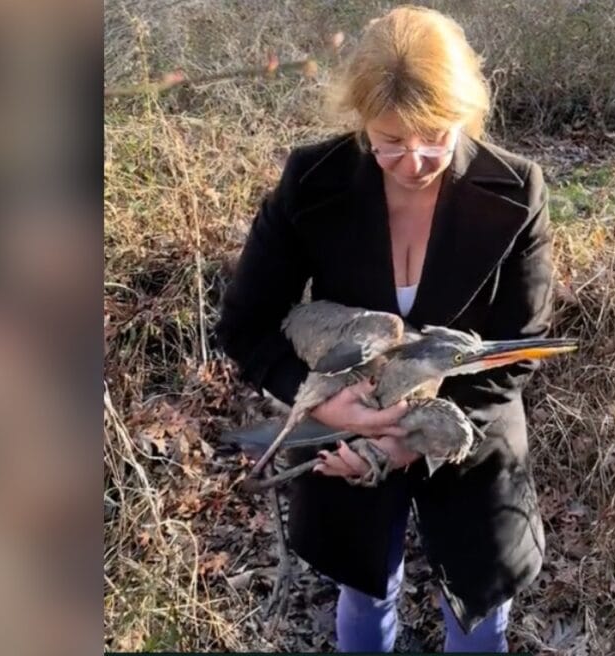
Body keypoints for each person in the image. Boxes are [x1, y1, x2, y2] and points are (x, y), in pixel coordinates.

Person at [216, 6, 553, 652]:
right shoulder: (312, 185)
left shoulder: (516, 191)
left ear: (465, 111)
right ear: (360, 120)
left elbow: (518, 351)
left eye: (435, 134)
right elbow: (247, 323)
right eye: (390, 140)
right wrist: (332, 407)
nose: (415, 159)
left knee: (478, 614)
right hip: (344, 434)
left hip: (471, 436)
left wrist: (411, 439)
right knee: (366, 593)